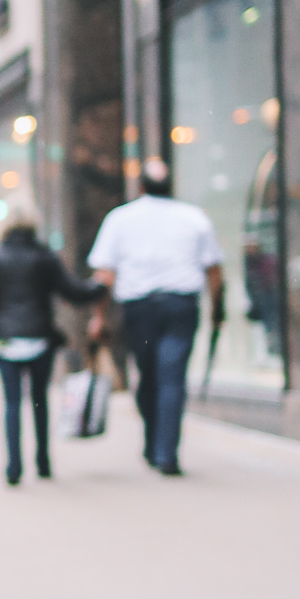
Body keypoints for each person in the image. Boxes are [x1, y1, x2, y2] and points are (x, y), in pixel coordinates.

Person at [87, 158, 224, 476]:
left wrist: (98, 316)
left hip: (140, 310)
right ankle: (163, 448)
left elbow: (104, 274)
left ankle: (160, 448)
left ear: (141, 186)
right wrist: (218, 307)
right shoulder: (194, 218)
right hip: (180, 307)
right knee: (170, 378)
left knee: (150, 376)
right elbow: (214, 270)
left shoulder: (120, 219)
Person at [0, 198, 101, 485]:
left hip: (4, 340)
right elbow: (73, 291)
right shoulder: (45, 258)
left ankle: (13, 468)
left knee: (12, 402)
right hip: (40, 337)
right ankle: (43, 462)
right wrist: (99, 287)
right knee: (40, 400)